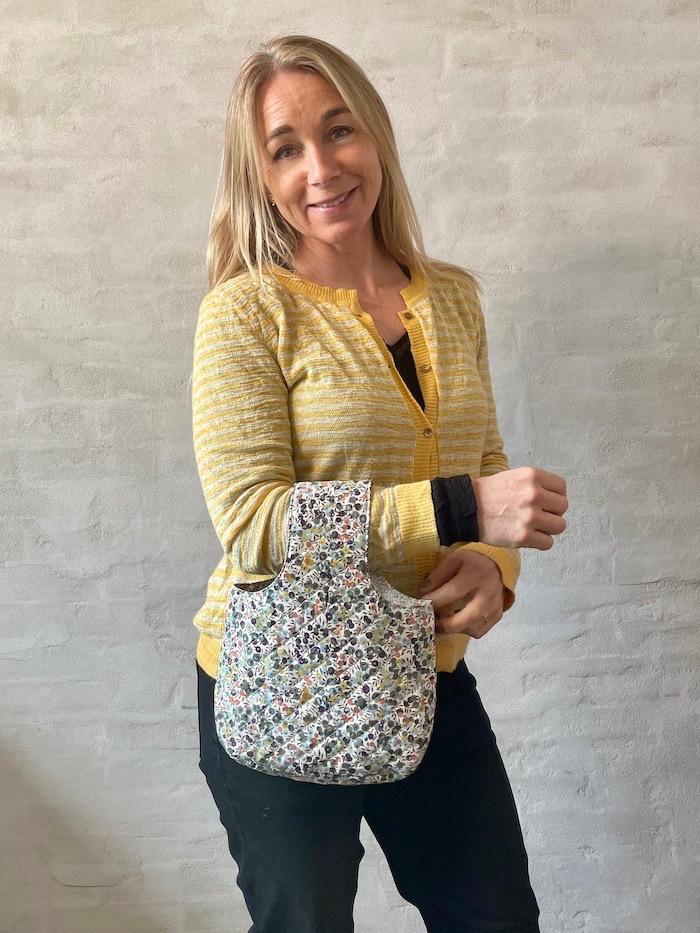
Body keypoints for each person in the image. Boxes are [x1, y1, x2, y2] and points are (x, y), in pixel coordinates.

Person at [190, 34, 568, 933]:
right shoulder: (247, 311)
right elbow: (254, 525)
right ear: (260, 176)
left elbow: (483, 459)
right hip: (281, 681)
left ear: (377, 136)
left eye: (339, 130)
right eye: (285, 148)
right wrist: (461, 509)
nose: (322, 168)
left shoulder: (452, 297)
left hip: (424, 673)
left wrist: (493, 566)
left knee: (496, 917)